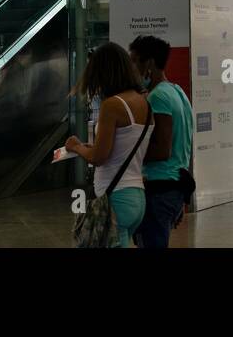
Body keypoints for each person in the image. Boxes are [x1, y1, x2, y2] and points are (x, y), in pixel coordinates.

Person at [65, 43, 153, 248]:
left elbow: (98, 157)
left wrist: (76, 147)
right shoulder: (144, 103)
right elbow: (121, 147)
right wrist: (90, 147)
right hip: (137, 197)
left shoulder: (113, 105)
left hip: (115, 199)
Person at [129, 34, 195, 248]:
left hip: (160, 188)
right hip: (174, 185)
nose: (132, 67)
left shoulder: (158, 97)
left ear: (148, 63)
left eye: (134, 60)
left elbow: (162, 150)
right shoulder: (177, 92)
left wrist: (127, 155)